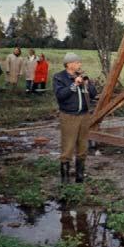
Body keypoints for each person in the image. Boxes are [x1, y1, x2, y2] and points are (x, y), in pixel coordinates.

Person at [53, 53, 97, 183]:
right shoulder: (59, 77)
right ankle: (65, 182)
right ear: (69, 64)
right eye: (78, 62)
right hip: (69, 116)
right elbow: (60, 95)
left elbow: (93, 95)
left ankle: (80, 177)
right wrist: (74, 85)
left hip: (84, 116)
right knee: (68, 147)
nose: (80, 65)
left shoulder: (82, 76)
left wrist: (88, 84)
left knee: (83, 147)